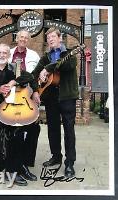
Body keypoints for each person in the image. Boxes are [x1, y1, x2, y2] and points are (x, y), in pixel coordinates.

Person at [0, 43, 39, 186]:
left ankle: (22, 164)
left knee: (34, 128)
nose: (2, 55)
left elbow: (31, 78)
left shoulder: (15, 69)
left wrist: (13, 82)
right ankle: (11, 171)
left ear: (9, 55)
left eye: (5, 53)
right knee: (15, 130)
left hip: (11, 107)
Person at [32, 27, 79, 178]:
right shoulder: (45, 57)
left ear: (60, 38)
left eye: (53, 36)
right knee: (52, 129)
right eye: (48, 38)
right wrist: (35, 90)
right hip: (51, 98)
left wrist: (47, 69)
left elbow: (66, 66)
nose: (50, 39)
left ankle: (70, 162)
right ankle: (56, 156)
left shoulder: (70, 54)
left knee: (69, 131)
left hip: (67, 97)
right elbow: (34, 74)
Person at [9, 29, 41, 168]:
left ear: (29, 40)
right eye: (21, 37)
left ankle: (27, 161)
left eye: (26, 38)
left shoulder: (34, 55)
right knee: (14, 127)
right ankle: (13, 159)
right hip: (10, 94)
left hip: (28, 93)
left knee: (32, 127)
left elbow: (37, 76)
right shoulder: (7, 52)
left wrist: (36, 92)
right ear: (17, 38)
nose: (23, 39)